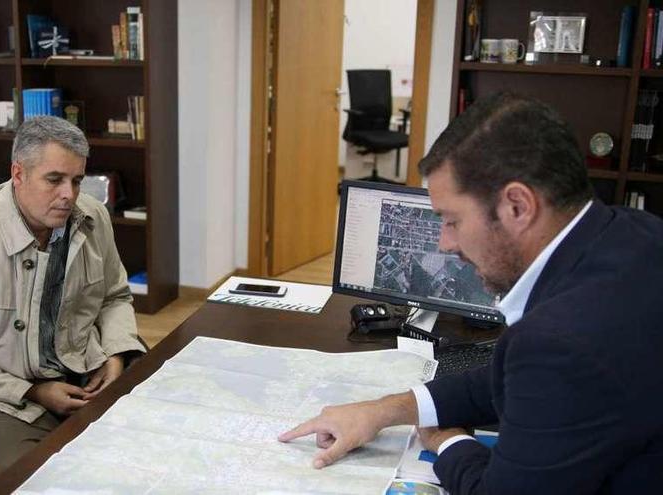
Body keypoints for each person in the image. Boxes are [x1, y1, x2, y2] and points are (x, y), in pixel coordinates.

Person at [279, 93, 663, 493]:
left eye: (451, 220)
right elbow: (509, 376)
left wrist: (446, 441)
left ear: (517, 206)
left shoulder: (558, 341)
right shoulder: (633, 230)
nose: (445, 243)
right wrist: (385, 410)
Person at [0, 116, 145, 474]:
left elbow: (114, 297)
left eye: (77, 181)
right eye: (54, 180)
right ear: (18, 174)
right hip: (1, 396)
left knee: (149, 454)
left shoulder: (93, 217)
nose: (69, 195)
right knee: (28, 481)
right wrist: (32, 392)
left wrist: (116, 356)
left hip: (86, 369)